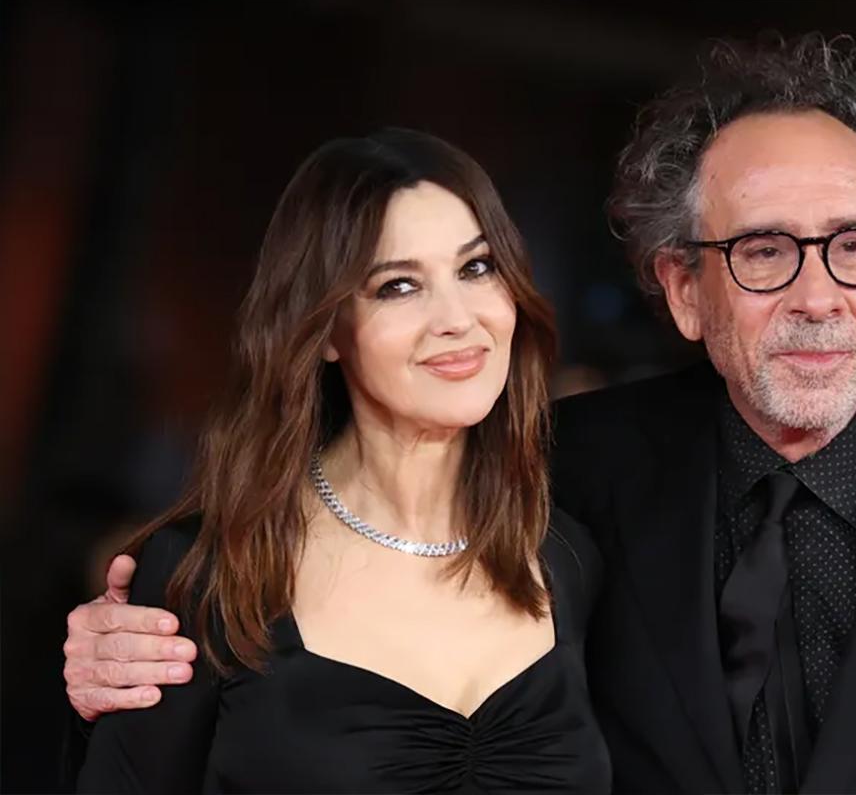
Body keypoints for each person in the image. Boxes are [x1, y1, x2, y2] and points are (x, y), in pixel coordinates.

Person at [62, 36, 856, 793]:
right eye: (764, 251)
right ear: (683, 290)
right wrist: (122, 644)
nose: (819, 295)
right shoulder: (562, 479)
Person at [69, 128, 610, 793]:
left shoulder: (567, 559)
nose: (457, 318)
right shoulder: (214, 574)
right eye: (398, 286)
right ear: (326, 329)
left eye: (476, 268)